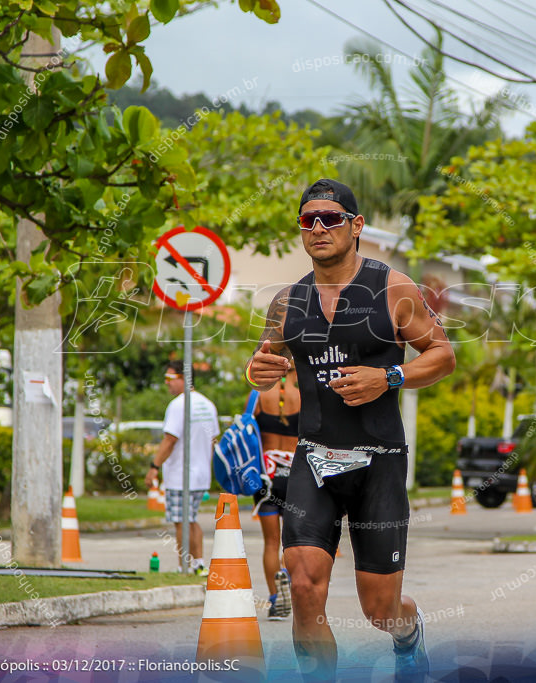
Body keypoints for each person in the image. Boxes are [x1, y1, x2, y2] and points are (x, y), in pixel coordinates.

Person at [246, 179, 455, 681]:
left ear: (356, 226)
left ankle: (409, 634)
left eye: (330, 218)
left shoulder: (392, 288)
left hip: (378, 460)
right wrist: (258, 370)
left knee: (379, 609)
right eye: (307, 220)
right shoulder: (287, 301)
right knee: (302, 585)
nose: (317, 228)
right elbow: (263, 360)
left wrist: (390, 376)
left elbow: (443, 355)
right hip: (313, 456)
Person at [145, 360, 219, 576]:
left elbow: (169, 441)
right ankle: (198, 564)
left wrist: (153, 467)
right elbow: (214, 439)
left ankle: (184, 566)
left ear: (182, 378)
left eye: (170, 379)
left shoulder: (178, 405)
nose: (166, 383)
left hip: (181, 474)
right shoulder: (208, 404)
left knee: (181, 522)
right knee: (191, 519)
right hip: (201, 474)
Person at [253, 367, 300, 620]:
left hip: (266, 478)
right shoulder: (305, 396)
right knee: (293, 543)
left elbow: (248, 433)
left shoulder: (258, 397)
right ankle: (289, 581)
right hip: (296, 478)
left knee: (270, 542)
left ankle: (274, 600)